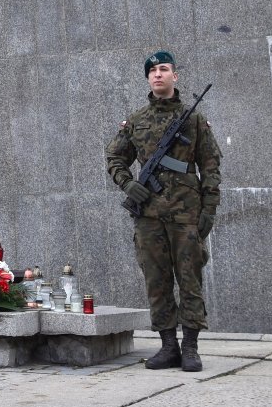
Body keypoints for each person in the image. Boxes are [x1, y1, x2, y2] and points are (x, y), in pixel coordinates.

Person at [104, 50, 222, 372]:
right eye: (152, 71)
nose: (158, 74)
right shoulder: (136, 120)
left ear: (175, 76)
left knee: (190, 281)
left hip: (187, 214)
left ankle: (191, 348)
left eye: (164, 69)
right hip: (149, 216)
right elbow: (114, 157)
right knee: (157, 281)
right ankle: (168, 346)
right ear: (148, 79)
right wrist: (129, 185)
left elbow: (210, 166)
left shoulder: (194, 119)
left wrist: (209, 209)